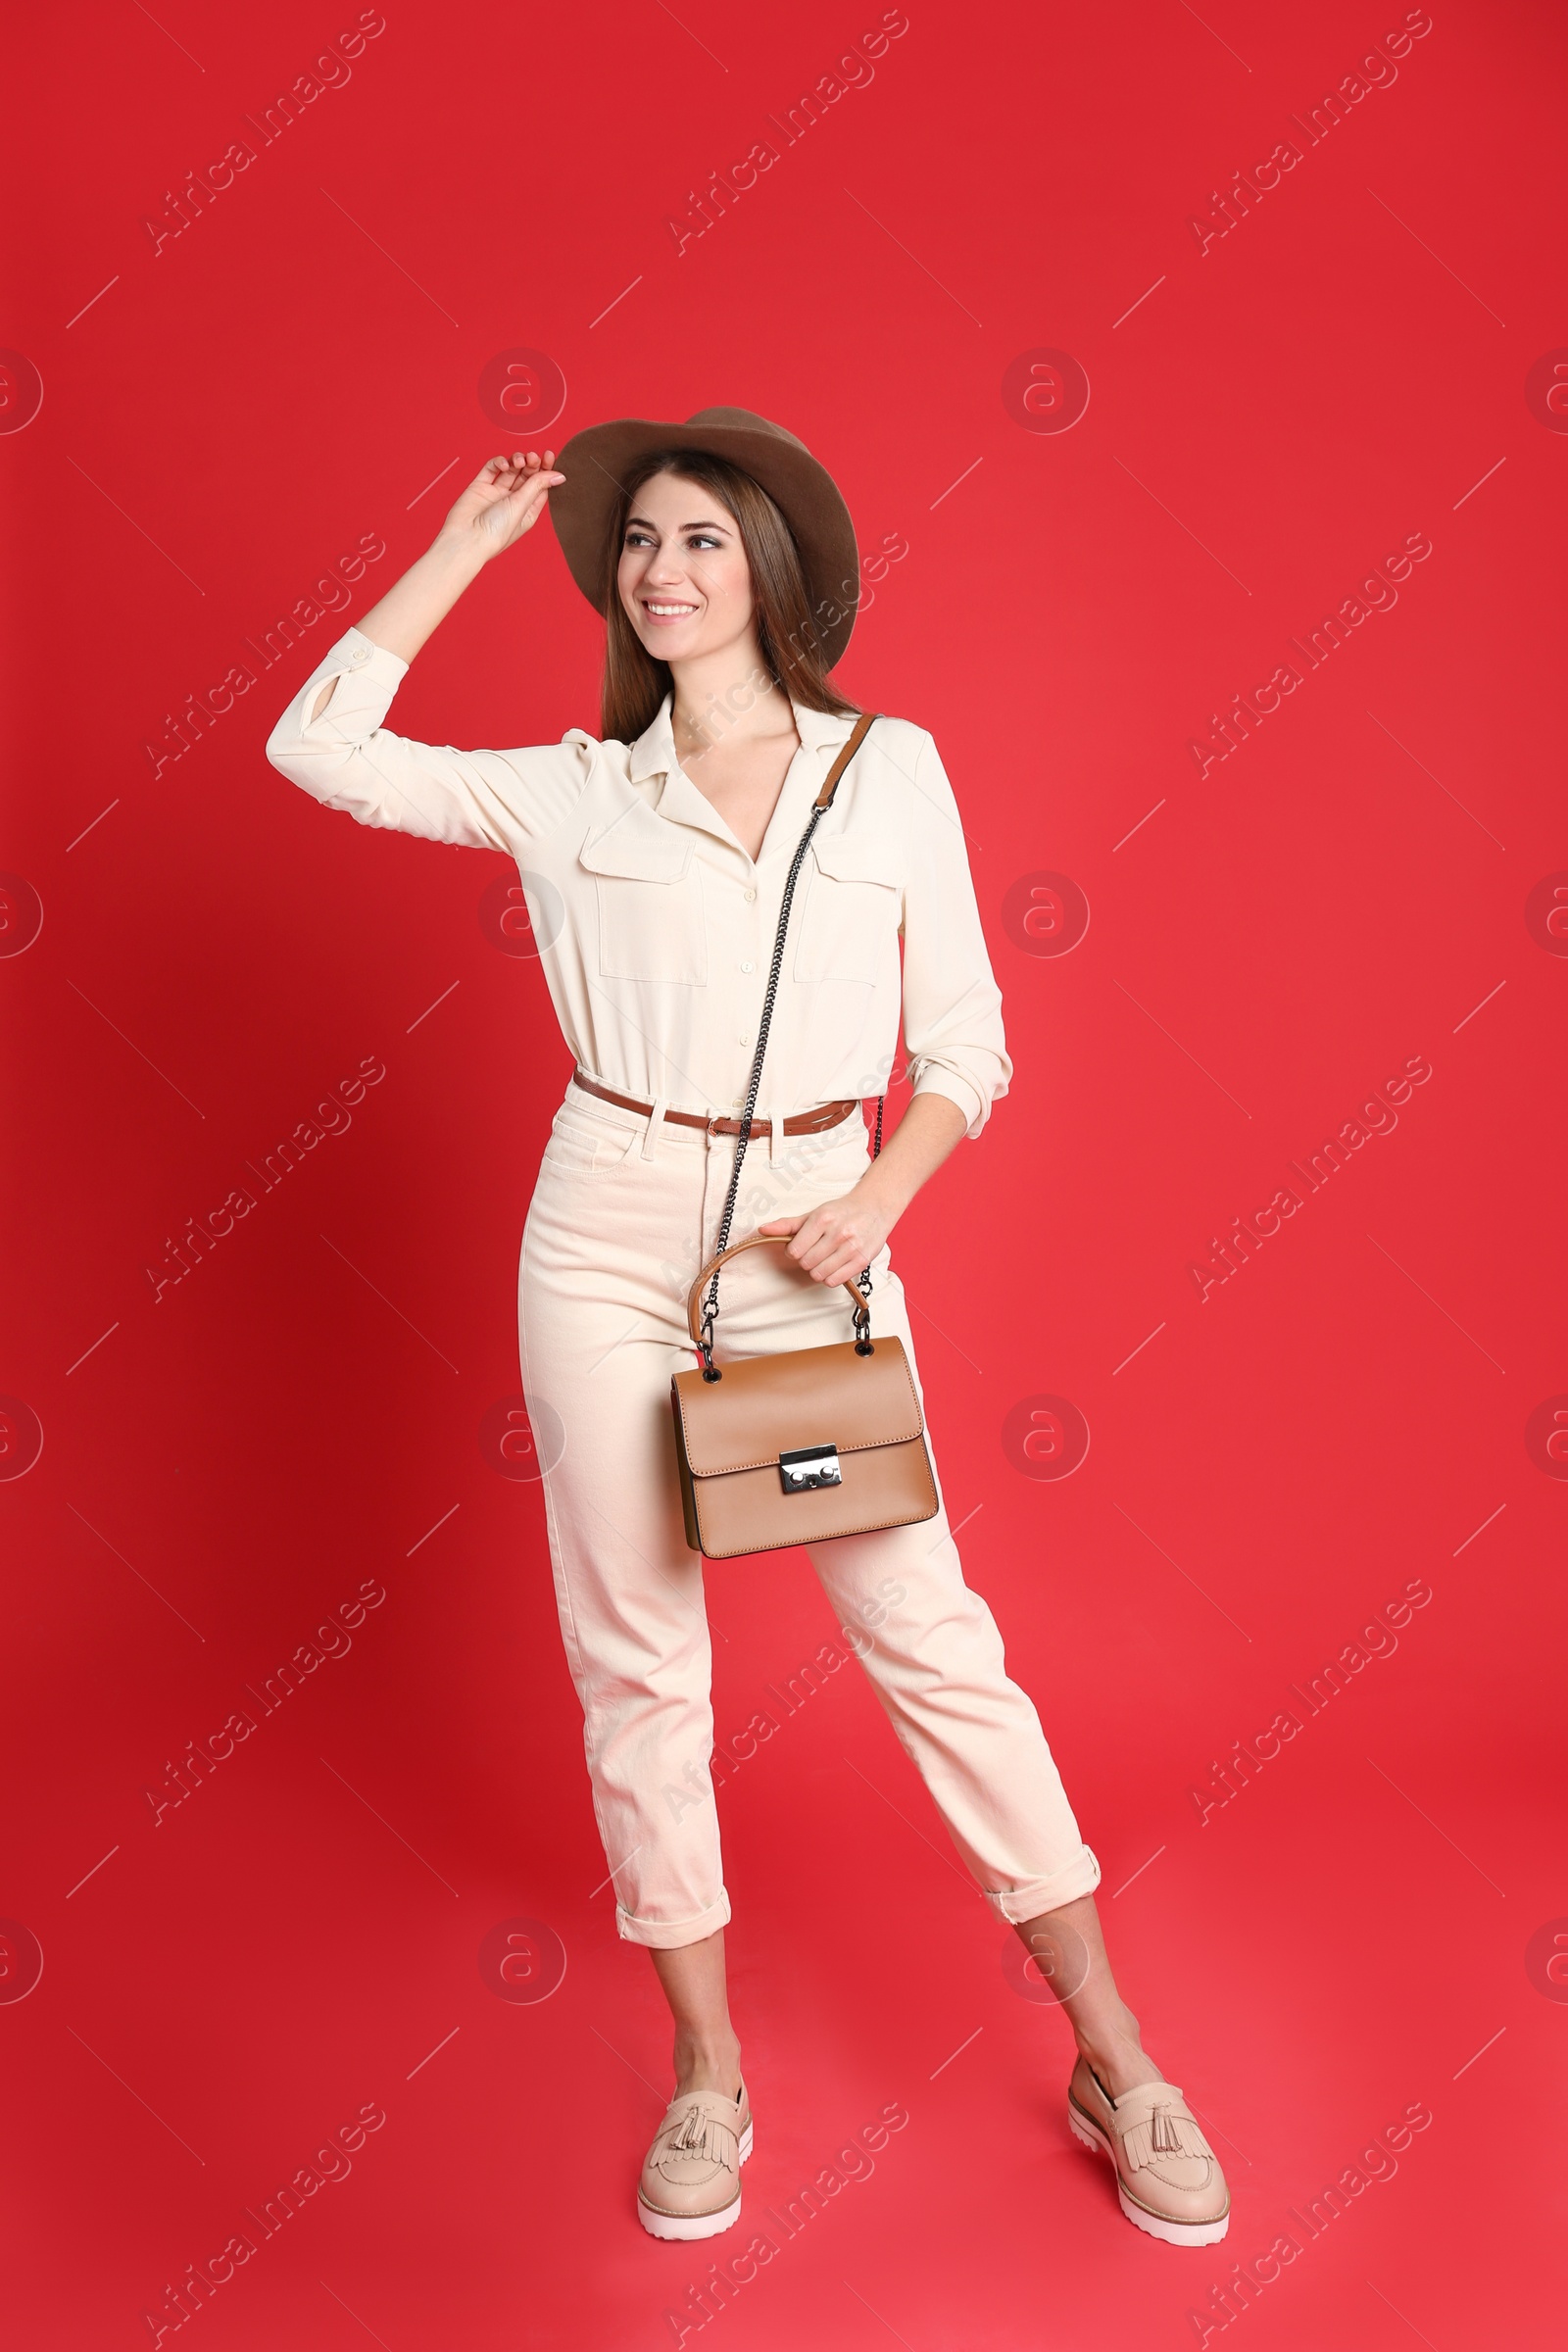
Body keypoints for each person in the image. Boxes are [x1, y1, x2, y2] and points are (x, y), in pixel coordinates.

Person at [265, 406, 1230, 2251]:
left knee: (928, 1635)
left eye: (702, 538)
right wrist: (464, 546)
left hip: (812, 1241)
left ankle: (1115, 2052)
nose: (663, 569)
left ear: (771, 568)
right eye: (637, 545)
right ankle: (707, 2076)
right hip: (605, 1230)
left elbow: (967, 1046)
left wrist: (875, 1202)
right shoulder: (571, 786)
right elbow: (320, 748)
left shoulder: (891, 773)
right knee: (639, 1662)